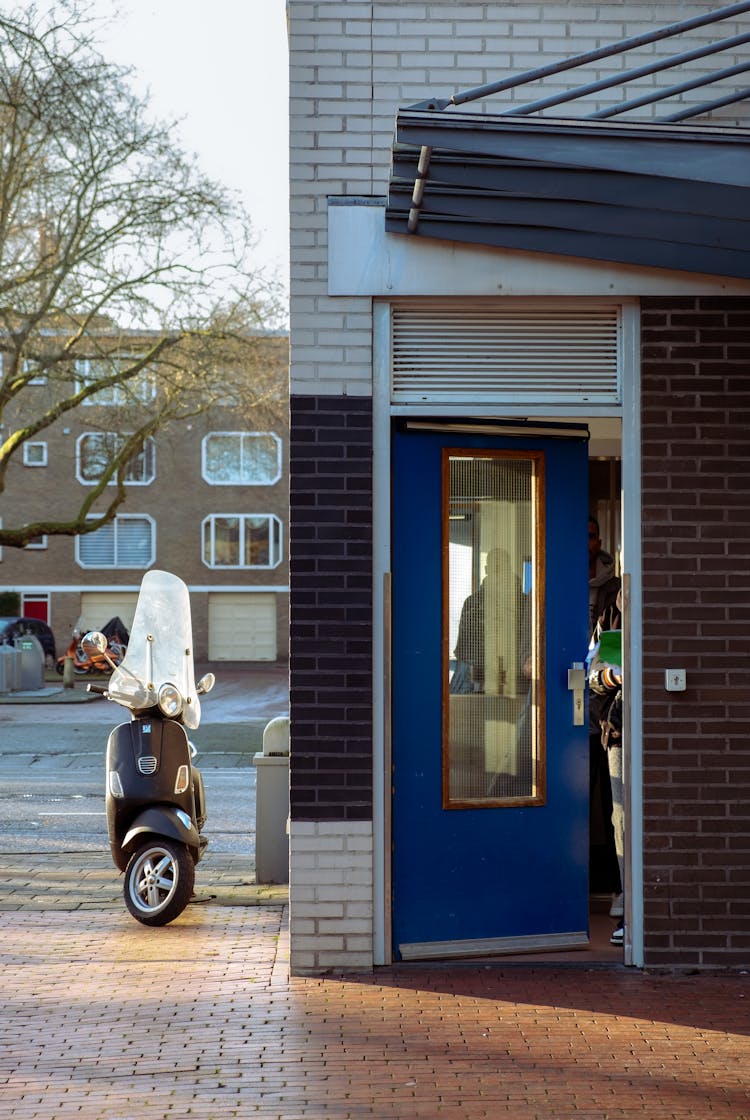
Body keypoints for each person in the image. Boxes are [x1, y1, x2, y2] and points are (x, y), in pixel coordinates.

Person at [588, 588, 625, 946]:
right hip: (618, 732)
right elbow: (593, 675)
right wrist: (614, 678)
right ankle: (629, 908)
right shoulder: (610, 619)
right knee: (622, 819)